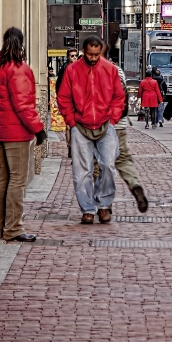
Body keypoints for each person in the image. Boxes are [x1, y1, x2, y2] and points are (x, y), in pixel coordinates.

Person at [57, 35, 125, 225]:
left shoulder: (110, 69)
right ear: (83, 51)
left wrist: (113, 119)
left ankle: (104, 205)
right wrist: (71, 121)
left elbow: (119, 97)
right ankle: (87, 209)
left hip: (105, 123)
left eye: (96, 54)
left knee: (109, 166)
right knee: (81, 171)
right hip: (80, 125)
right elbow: (63, 98)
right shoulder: (72, 70)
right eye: (89, 54)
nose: (93, 58)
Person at [0, 28, 46, 243]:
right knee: (17, 180)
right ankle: (13, 228)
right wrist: (38, 129)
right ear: (22, 43)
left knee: (4, 179)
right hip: (16, 131)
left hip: (0, 130)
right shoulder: (19, 69)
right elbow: (23, 105)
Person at [110, 57, 149, 213]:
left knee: (101, 165)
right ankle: (134, 184)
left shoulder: (97, 71)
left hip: (103, 124)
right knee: (123, 158)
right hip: (120, 124)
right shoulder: (119, 72)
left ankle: (105, 204)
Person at [56, 48, 79, 157]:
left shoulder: (80, 68)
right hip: (68, 101)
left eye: (75, 55)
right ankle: (71, 147)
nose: (74, 58)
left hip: (78, 102)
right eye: (72, 56)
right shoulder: (64, 68)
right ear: (68, 57)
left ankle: (75, 148)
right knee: (70, 126)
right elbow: (58, 85)